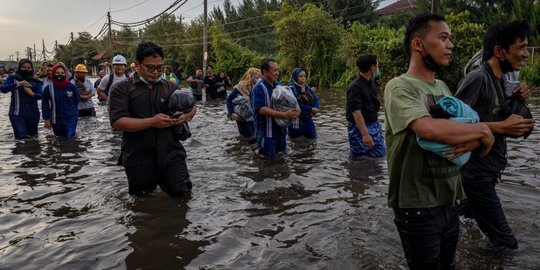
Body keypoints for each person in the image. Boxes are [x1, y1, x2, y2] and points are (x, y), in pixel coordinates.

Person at [384, 13, 495, 269]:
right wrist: (482, 131)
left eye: (450, 38)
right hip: (417, 205)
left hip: (449, 200)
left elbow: (461, 130)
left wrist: (478, 135)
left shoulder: (443, 87)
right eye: (443, 38)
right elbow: (428, 129)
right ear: (418, 44)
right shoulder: (400, 86)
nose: (451, 45)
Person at [454, 20, 535, 253]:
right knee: (506, 244)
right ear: (499, 51)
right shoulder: (478, 78)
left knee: (463, 220)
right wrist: (501, 128)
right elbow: (452, 125)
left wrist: (518, 101)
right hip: (476, 176)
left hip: (487, 172)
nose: (526, 54)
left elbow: (521, 128)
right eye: (520, 47)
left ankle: (465, 253)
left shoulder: (501, 81)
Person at [108, 41, 196, 197]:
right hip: (138, 156)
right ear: (138, 65)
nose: (156, 72)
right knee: (142, 205)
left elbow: (192, 106)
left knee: (183, 196)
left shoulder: (170, 86)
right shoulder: (121, 89)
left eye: (159, 67)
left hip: (171, 152)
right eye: (150, 67)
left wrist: (185, 117)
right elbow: (117, 122)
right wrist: (151, 122)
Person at [251, 58, 300, 160]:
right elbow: (261, 109)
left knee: (281, 159)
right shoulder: (258, 88)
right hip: (267, 134)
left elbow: (292, 101)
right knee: (268, 162)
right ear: (264, 72)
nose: (277, 73)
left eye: (278, 70)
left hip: (281, 132)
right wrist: (285, 115)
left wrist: (297, 110)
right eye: (274, 70)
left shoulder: (280, 86)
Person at [346, 54, 385, 158]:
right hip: (359, 128)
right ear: (372, 68)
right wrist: (365, 134)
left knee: (379, 156)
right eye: (377, 65)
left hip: (374, 124)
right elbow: (356, 112)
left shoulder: (371, 84)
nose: (378, 67)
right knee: (360, 160)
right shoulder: (355, 87)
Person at [0, 59, 43, 139]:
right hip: (16, 114)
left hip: (33, 114)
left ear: (32, 69)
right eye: (23, 67)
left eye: (29, 68)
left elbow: (40, 96)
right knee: (21, 137)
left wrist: (31, 93)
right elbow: (3, 89)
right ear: (19, 68)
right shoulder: (12, 78)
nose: (26, 69)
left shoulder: (36, 81)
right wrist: (18, 84)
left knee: (33, 138)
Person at [42, 63, 80, 138]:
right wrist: (46, 119)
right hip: (56, 119)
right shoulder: (48, 88)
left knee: (69, 138)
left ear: (65, 74)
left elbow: (77, 99)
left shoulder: (71, 87)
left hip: (71, 117)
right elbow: (45, 105)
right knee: (59, 139)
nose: (60, 75)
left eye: (62, 73)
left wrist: (71, 109)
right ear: (53, 74)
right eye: (57, 73)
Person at [226, 67, 261, 137]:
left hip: (253, 116)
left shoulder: (257, 87)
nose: (258, 79)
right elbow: (229, 99)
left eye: (259, 77)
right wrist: (231, 113)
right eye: (256, 77)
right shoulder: (240, 87)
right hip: (241, 117)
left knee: (254, 135)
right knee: (246, 135)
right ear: (251, 76)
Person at [288, 67, 320, 141]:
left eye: (304, 76)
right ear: (295, 77)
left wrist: (315, 109)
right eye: (300, 76)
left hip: (308, 119)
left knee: (313, 140)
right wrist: (311, 109)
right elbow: (295, 104)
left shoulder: (307, 88)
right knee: (294, 142)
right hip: (295, 121)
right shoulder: (290, 89)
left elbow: (316, 99)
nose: (303, 78)